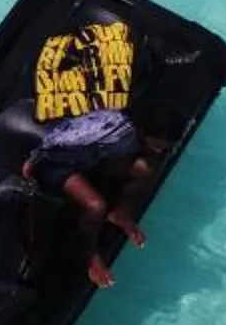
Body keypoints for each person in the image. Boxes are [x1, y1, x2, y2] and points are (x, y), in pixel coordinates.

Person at [19, 107, 165, 287]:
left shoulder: (132, 138)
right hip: (53, 162)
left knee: (145, 169)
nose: (160, 150)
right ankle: (88, 256)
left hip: (84, 160)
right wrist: (35, 159)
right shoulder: (113, 129)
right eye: (160, 144)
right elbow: (66, 136)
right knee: (96, 206)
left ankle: (120, 212)